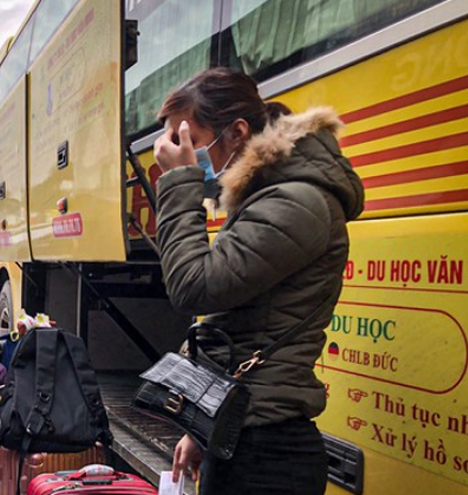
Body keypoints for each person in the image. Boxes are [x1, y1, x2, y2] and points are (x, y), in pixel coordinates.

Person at [153, 68, 364, 495]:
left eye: (193, 144)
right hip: (245, 438)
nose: (190, 159)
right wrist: (202, 426)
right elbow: (241, 322)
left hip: (270, 458)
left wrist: (178, 182)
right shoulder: (269, 196)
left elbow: (193, 286)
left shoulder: (298, 201)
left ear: (237, 132)